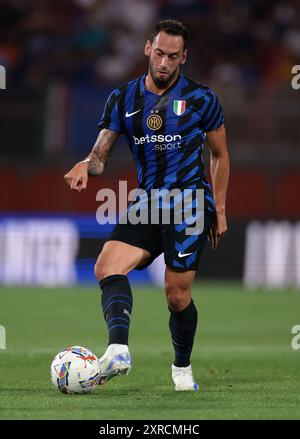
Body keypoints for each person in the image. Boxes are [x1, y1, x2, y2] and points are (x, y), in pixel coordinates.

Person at [64, 19, 229, 391]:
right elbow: (101, 154)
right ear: (147, 49)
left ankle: (182, 368)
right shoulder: (123, 97)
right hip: (148, 203)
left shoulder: (203, 98)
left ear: (183, 57)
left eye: (173, 56)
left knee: (176, 295)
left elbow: (220, 154)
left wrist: (218, 208)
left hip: (189, 204)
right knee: (107, 266)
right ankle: (118, 349)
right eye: (159, 53)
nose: (164, 63)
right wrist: (85, 165)